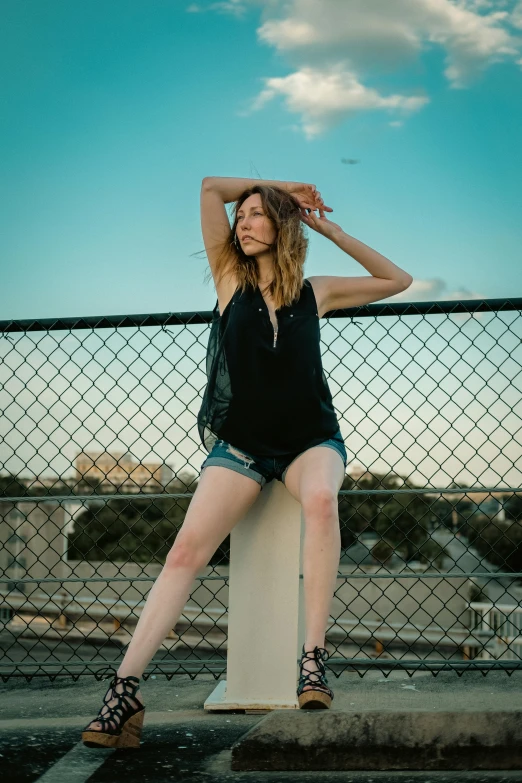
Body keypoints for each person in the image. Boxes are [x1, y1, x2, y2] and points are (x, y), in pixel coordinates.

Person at [81, 176, 413, 749]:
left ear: (282, 225)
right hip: (241, 447)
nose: (244, 222)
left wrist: (327, 227)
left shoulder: (317, 291)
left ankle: (312, 661)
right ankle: (123, 691)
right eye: (243, 216)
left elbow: (397, 280)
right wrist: (277, 185)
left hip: (312, 443)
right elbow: (211, 188)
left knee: (320, 499)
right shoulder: (229, 278)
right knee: (185, 550)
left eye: (258, 214)